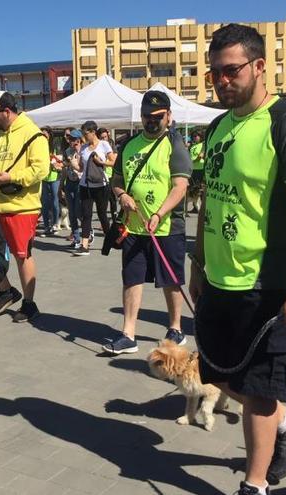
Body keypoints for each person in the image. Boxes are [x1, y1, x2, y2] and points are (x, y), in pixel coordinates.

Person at [188, 24, 286, 494]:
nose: (222, 81)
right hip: (220, 280)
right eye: (215, 74)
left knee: (261, 392)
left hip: (267, 285)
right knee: (220, 375)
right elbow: (210, 199)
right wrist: (198, 264)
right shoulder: (218, 126)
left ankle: (255, 483)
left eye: (232, 70)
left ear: (260, 66)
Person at [103, 91, 192, 355]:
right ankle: (128, 334)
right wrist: (123, 196)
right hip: (133, 226)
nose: (152, 121)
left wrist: (159, 213)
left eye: (157, 117)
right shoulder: (129, 145)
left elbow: (180, 187)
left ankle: (176, 328)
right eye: (146, 117)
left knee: (170, 280)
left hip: (166, 227)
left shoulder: (175, 144)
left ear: (168, 116)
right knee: (131, 278)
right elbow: (116, 181)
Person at [0, 91, 49, 323]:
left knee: (22, 256)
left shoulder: (33, 134)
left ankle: (29, 303)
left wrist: (11, 178)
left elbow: (42, 170)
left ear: (7, 111)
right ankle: (6, 290)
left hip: (22, 207)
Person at [73, 120, 117, 256]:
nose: (84, 137)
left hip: (101, 185)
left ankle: (109, 240)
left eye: (85, 133)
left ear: (93, 132)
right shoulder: (84, 148)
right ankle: (84, 245)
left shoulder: (104, 145)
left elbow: (114, 161)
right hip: (85, 185)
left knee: (102, 214)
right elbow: (81, 167)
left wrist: (101, 162)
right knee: (86, 215)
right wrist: (74, 164)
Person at [39, 126, 63, 237]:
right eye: (42, 135)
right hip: (43, 177)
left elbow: (60, 162)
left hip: (54, 177)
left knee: (54, 201)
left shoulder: (55, 147)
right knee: (44, 203)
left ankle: (55, 224)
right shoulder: (38, 146)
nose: (43, 136)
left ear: (49, 135)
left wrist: (55, 164)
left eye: (45, 134)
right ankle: (46, 226)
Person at [62, 129, 83, 246]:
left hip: (80, 182)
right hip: (70, 182)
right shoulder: (67, 151)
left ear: (79, 140)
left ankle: (88, 230)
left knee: (78, 211)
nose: (71, 141)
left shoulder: (83, 151)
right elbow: (65, 168)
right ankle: (76, 238)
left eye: (74, 139)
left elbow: (80, 168)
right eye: (70, 139)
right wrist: (61, 185)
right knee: (72, 213)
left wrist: (77, 152)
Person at [98, 127, 118, 220]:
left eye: (105, 137)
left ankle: (114, 220)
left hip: (110, 176)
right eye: (101, 138)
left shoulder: (111, 145)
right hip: (100, 177)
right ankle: (104, 221)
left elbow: (115, 158)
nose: (103, 139)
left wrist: (104, 161)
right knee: (103, 202)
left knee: (113, 200)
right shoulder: (97, 146)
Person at [187, 129, 206, 214]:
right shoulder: (192, 146)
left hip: (200, 169)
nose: (195, 138)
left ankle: (204, 209)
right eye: (193, 136)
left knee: (200, 189)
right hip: (193, 170)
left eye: (196, 136)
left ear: (200, 136)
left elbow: (200, 156)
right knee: (193, 189)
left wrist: (193, 161)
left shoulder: (203, 145)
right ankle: (195, 207)